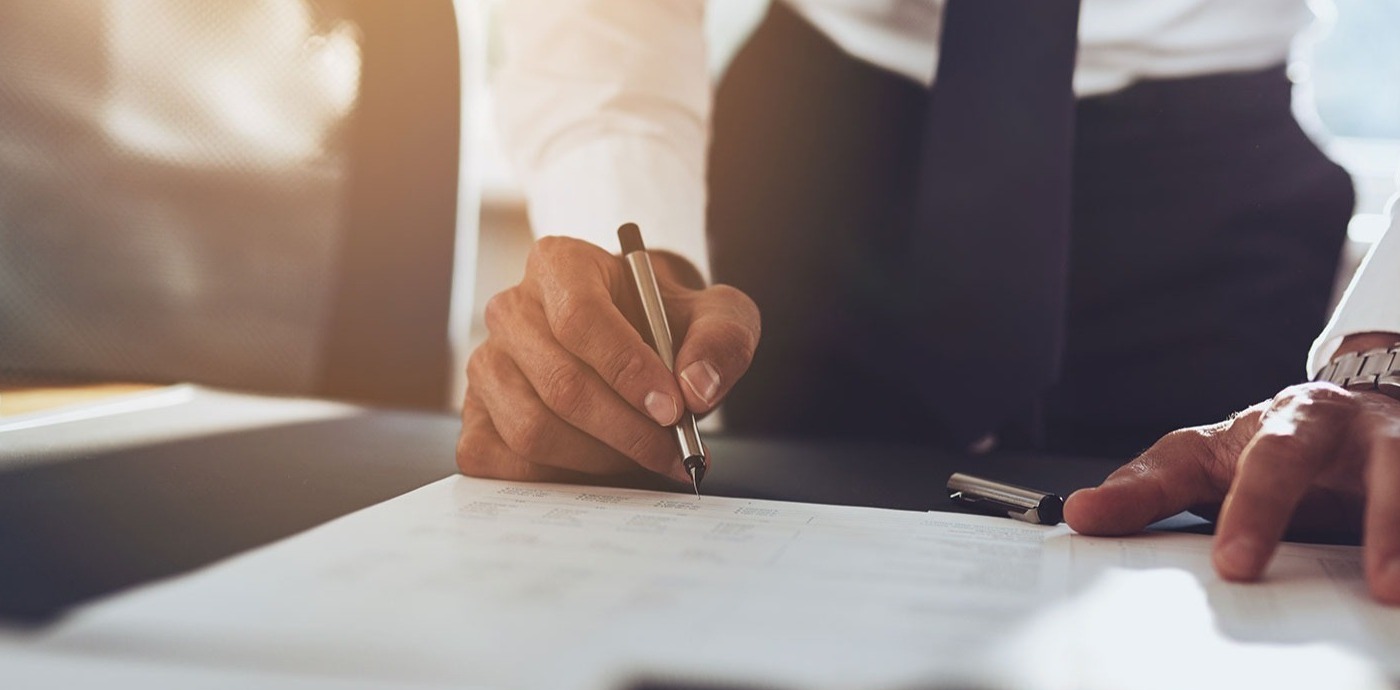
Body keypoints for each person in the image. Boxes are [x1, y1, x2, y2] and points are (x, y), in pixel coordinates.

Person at [459, 0, 1400, 601]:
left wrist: (1386, 360)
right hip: (818, 142)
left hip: (1207, 185)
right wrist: (629, 246)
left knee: (1210, 608)